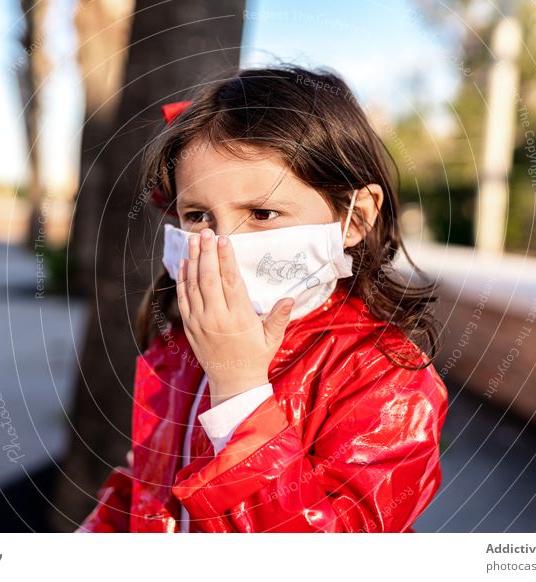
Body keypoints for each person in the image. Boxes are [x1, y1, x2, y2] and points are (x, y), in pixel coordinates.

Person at [76, 64, 448, 533]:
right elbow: (145, 490)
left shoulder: (386, 381)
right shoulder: (187, 345)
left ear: (355, 218)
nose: (224, 242)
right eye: (198, 215)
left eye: (263, 212)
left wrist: (239, 392)